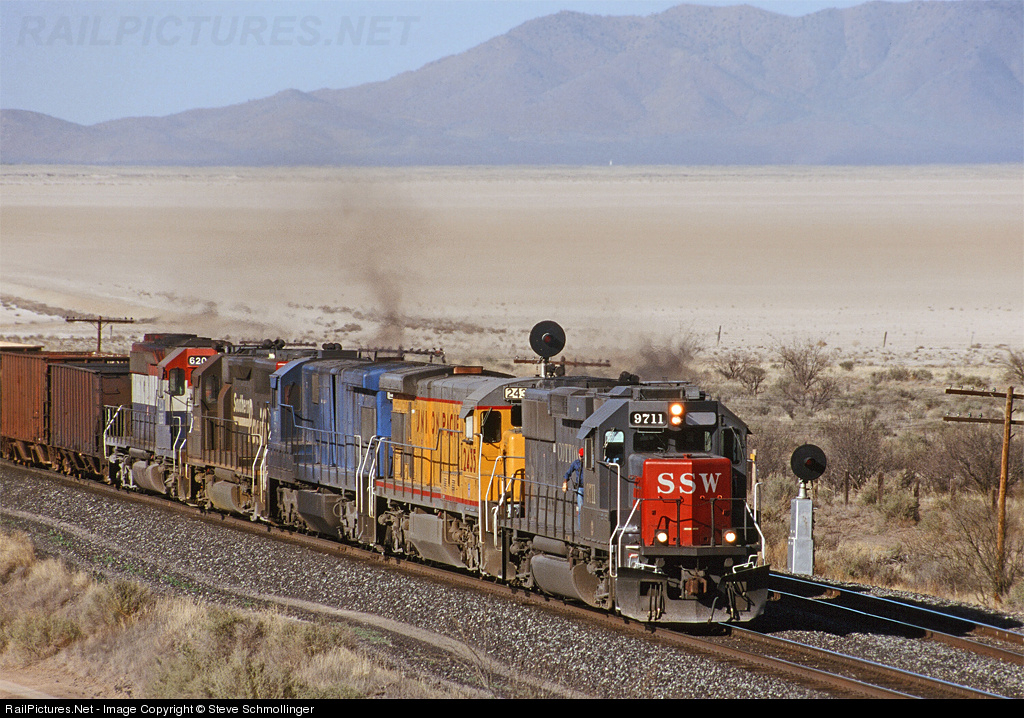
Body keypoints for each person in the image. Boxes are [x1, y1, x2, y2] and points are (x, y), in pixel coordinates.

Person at [562, 447, 584, 532]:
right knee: (580, 509)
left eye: (583, 456)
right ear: (578, 455)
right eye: (581, 456)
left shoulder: (589, 463)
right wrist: (565, 482)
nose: (582, 458)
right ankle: (581, 530)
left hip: (588, 488)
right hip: (580, 488)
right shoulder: (575, 463)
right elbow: (568, 473)